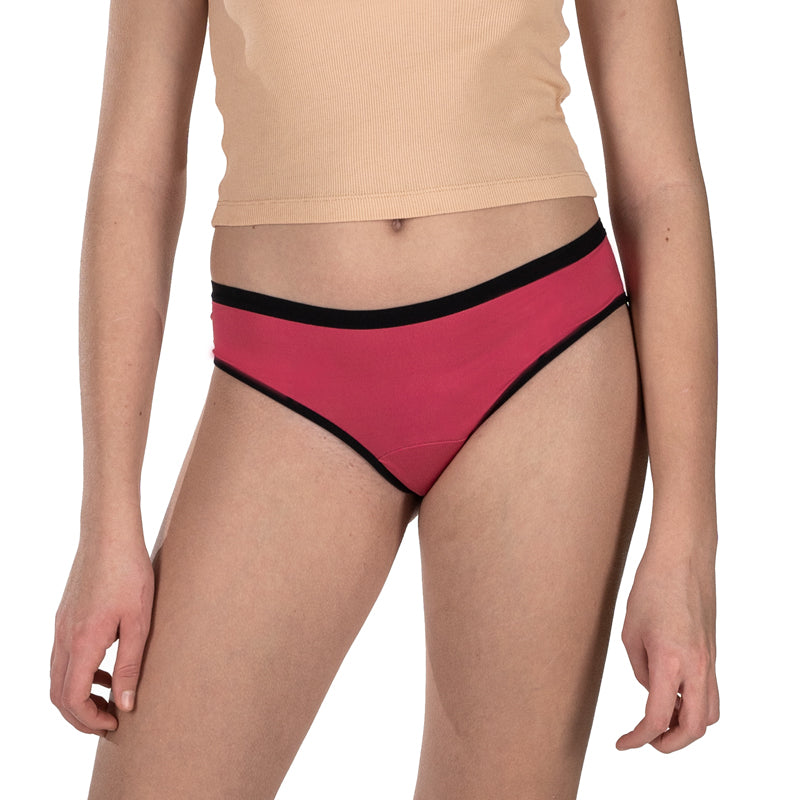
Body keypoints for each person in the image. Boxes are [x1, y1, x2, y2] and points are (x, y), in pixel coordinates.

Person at [50, 0, 719, 797]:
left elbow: (661, 182)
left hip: (543, 356)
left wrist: (686, 540)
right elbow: (135, 169)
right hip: (284, 376)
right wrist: (107, 522)